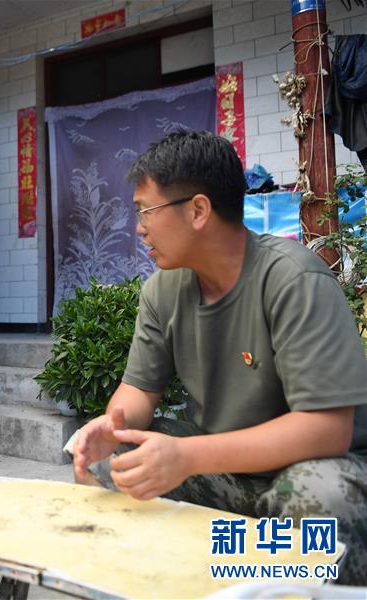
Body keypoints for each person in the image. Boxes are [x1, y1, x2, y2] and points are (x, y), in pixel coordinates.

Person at [71, 131, 367, 585]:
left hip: (309, 466)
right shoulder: (162, 291)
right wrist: (110, 426)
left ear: (198, 211)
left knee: (323, 496)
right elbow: (139, 391)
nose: (139, 227)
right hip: (226, 467)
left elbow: (326, 428)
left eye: (146, 211)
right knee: (124, 459)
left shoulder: (293, 280)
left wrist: (187, 455)